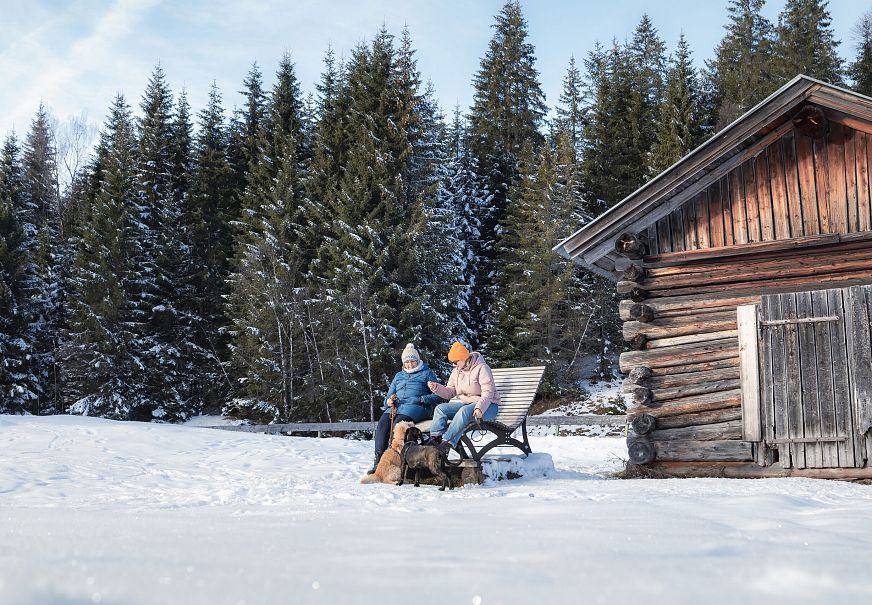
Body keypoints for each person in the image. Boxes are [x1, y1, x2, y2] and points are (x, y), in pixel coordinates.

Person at [368, 343, 443, 474]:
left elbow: (437, 395)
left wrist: (421, 399)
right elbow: (387, 397)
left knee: (398, 425)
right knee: (382, 426)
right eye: (406, 362)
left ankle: (397, 461)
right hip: (397, 407)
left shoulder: (427, 373)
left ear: (418, 360)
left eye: (412, 361)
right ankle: (379, 462)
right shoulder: (399, 376)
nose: (409, 364)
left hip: (417, 407)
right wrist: (389, 401)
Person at [425, 341, 500, 454]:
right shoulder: (456, 371)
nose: (454, 366)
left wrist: (479, 408)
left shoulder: (482, 368)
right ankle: (436, 438)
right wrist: (437, 388)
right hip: (468, 404)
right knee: (440, 409)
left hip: (488, 406)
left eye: (455, 362)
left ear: (464, 358)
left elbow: (488, 393)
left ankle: (447, 443)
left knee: (463, 411)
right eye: (452, 363)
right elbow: (450, 392)